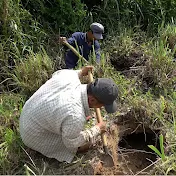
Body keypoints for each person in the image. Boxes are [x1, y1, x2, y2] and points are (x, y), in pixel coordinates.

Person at [19, 66, 118, 163]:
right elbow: (72, 143)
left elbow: (59, 73)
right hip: (31, 133)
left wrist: (81, 72)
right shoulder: (75, 116)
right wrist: (97, 129)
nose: (101, 108)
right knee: (83, 144)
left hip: (29, 112)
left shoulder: (69, 76)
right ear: (92, 100)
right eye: (102, 105)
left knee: (69, 126)